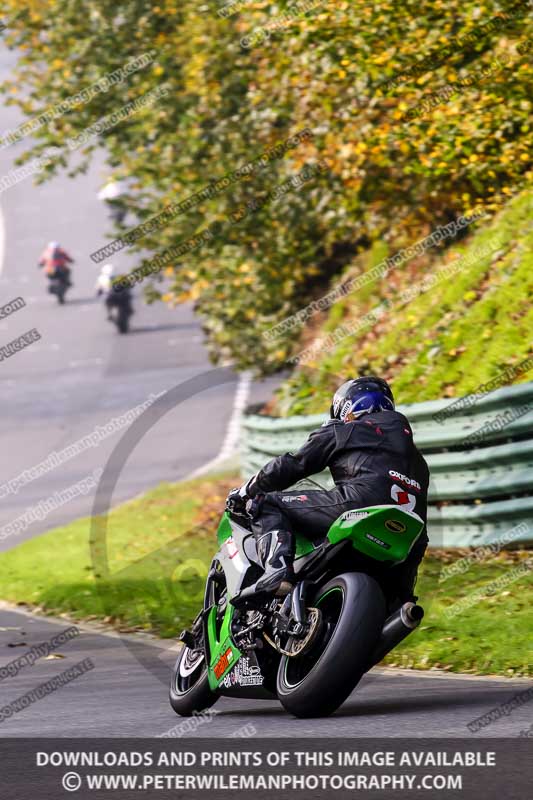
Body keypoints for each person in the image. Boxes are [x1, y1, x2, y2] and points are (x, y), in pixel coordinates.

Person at [227, 376, 430, 603]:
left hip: (358, 505)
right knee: (400, 602)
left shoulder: (350, 430)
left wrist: (248, 490)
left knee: (266, 503)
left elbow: (292, 465)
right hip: (411, 536)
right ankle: (400, 605)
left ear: (348, 407)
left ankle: (277, 572)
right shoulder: (418, 461)